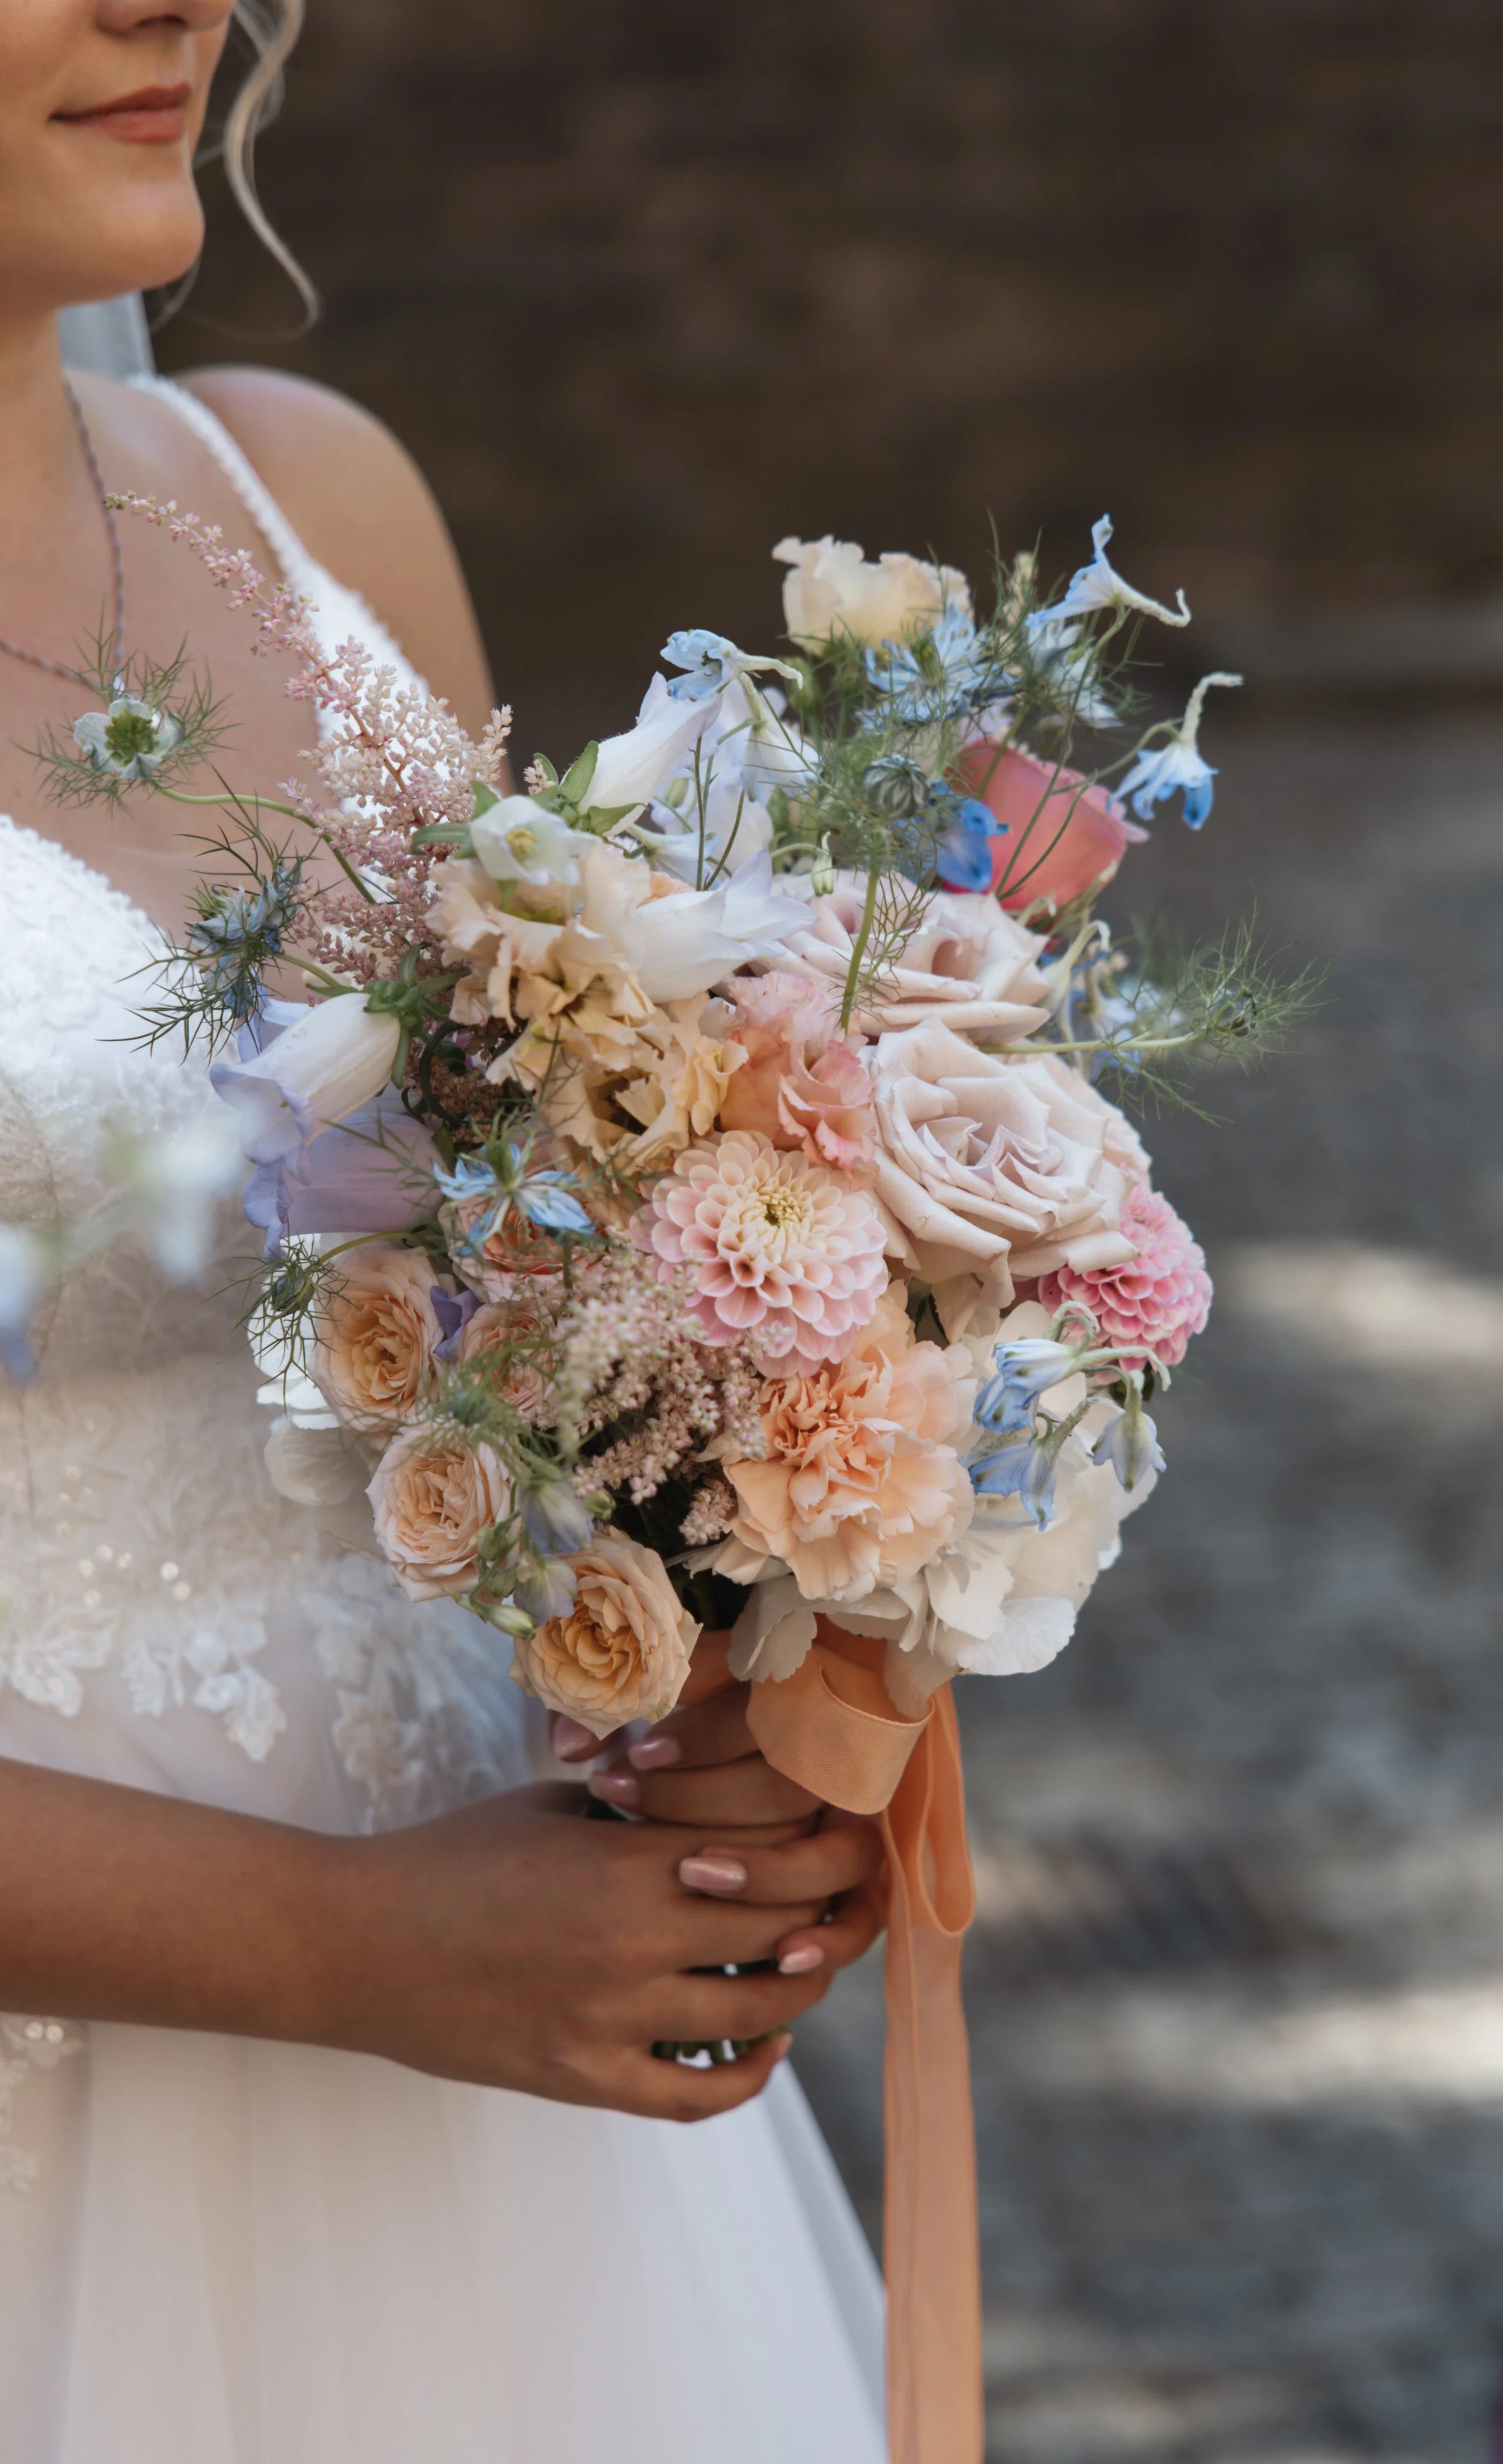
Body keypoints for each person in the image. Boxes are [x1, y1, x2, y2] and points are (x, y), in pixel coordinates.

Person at [0, 7, 889, 2458]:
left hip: (530, 2185)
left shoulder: (310, 505)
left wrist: (737, 1672)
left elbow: (538, 1313)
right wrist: (347, 1943)